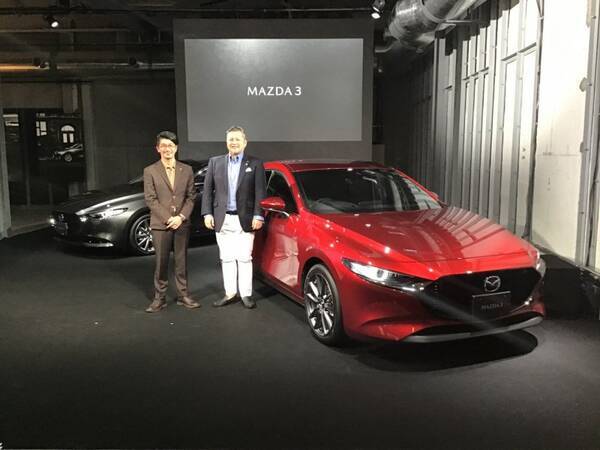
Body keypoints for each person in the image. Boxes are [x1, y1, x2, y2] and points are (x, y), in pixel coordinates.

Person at [201, 126, 266, 309]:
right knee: (227, 258)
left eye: (237, 139)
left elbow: (260, 192)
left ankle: (246, 294)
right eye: (231, 139)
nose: (234, 142)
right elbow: (207, 190)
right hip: (222, 218)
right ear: (226, 142)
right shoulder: (215, 162)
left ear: (244, 142)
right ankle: (230, 293)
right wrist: (207, 213)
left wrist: (258, 215)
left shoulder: (255, 163)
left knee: (244, 258)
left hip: (245, 218)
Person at [143, 131, 200, 313]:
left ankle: (183, 295)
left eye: (171, 145)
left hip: (181, 222)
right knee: (161, 262)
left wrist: (180, 217)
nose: (167, 149)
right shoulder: (150, 171)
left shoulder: (187, 170)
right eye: (164, 146)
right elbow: (150, 199)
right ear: (158, 148)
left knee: (181, 261)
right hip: (161, 224)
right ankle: (159, 298)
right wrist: (168, 218)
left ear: (176, 148)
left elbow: (191, 197)